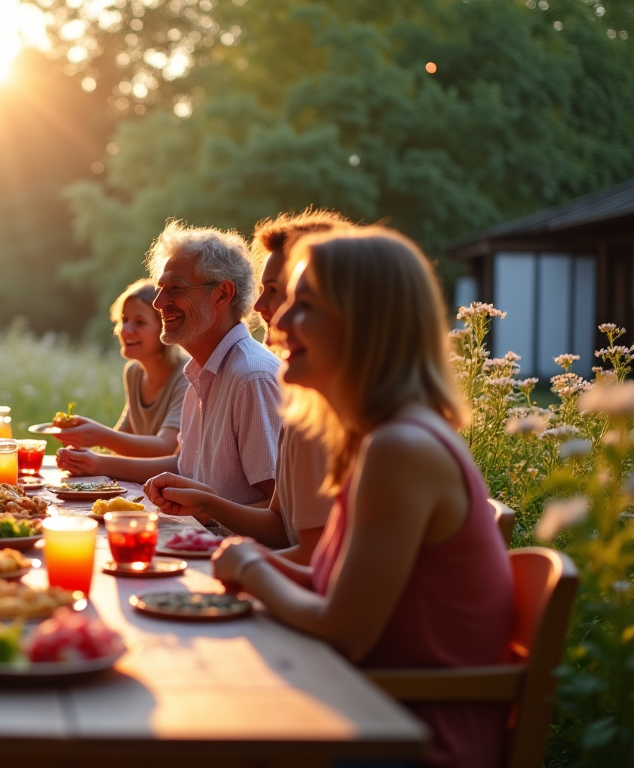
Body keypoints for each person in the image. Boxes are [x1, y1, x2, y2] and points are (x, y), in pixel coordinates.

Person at [212, 227, 514, 768]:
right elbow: (339, 590)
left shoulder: (400, 449)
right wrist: (247, 563)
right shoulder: (378, 440)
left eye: (304, 305)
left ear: (364, 322)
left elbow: (345, 631)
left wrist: (253, 570)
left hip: (408, 739)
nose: (277, 321)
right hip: (365, 709)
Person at [152, 210, 347, 562]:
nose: (258, 307)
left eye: (280, 293)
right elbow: (282, 521)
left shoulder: (253, 376)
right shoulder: (203, 373)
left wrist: (238, 563)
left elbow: (310, 556)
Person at [61, 224, 282, 500]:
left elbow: (282, 510)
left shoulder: (251, 377)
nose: (158, 302)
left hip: (229, 544)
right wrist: (94, 463)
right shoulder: (200, 373)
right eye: (160, 288)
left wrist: (207, 509)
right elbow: (183, 467)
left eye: (175, 288)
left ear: (223, 294)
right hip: (194, 539)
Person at [48, 279, 188, 458]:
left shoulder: (185, 376)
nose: (125, 330)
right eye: (124, 319)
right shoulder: (134, 372)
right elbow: (123, 437)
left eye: (140, 322)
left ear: (164, 327)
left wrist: (100, 437)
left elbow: (165, 448)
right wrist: (82, 449)